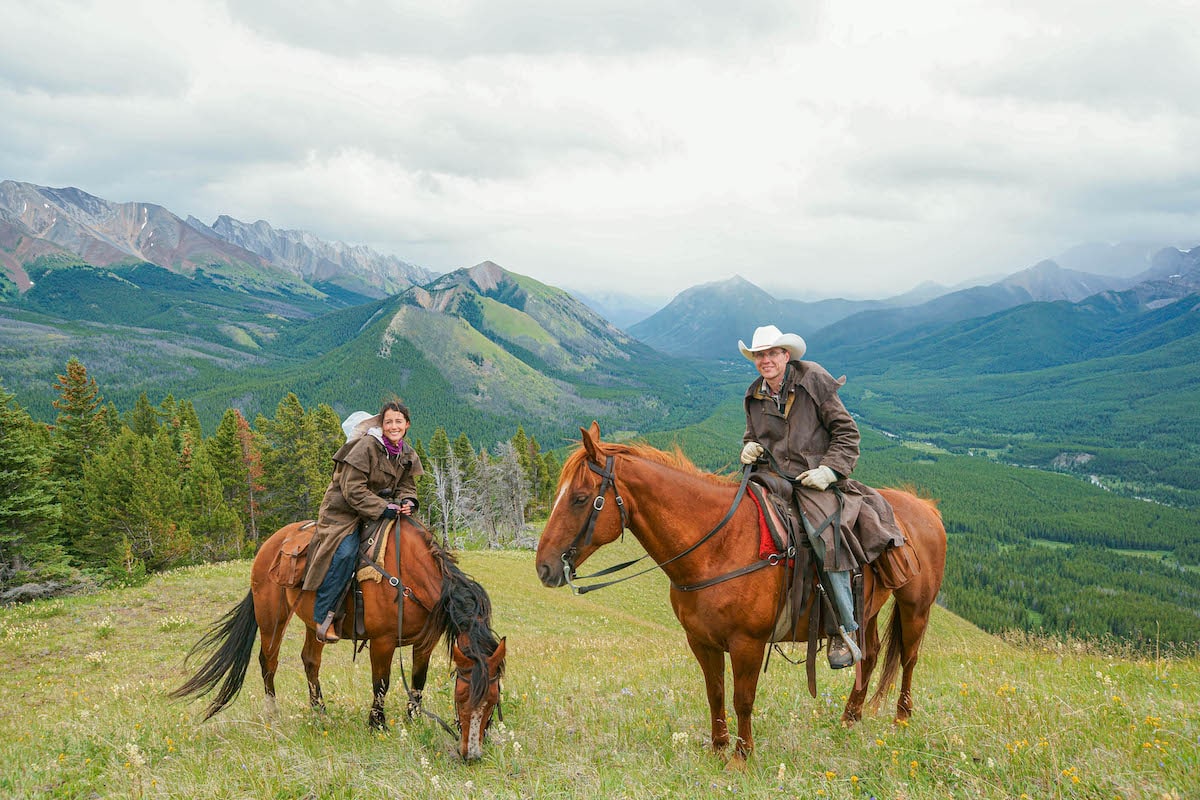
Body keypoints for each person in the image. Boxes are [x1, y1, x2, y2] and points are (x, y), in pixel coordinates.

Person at [737, 325, 904, 668]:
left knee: (823, 535)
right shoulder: (755, 393)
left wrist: (829, 470)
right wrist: (749, 447)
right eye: (759, 355)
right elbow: (752, 434)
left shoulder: (813, 381)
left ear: (786, 355)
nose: (765, 360)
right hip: (770, 477)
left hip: (813, 480)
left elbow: (846, 433)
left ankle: (846, 628)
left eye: (772, 353)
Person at [301, 400, 424, 643]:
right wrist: (384, 508)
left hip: (380, 511)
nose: (394, 425)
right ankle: (324, 615)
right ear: (382, 424)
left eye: (399, 421)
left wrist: (408, 501)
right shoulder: (366, 447)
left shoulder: (406, 453)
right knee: (346, 553)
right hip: (344, 513)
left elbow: (407, 485)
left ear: (407, 425)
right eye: (388, 421)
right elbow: (352, 490)